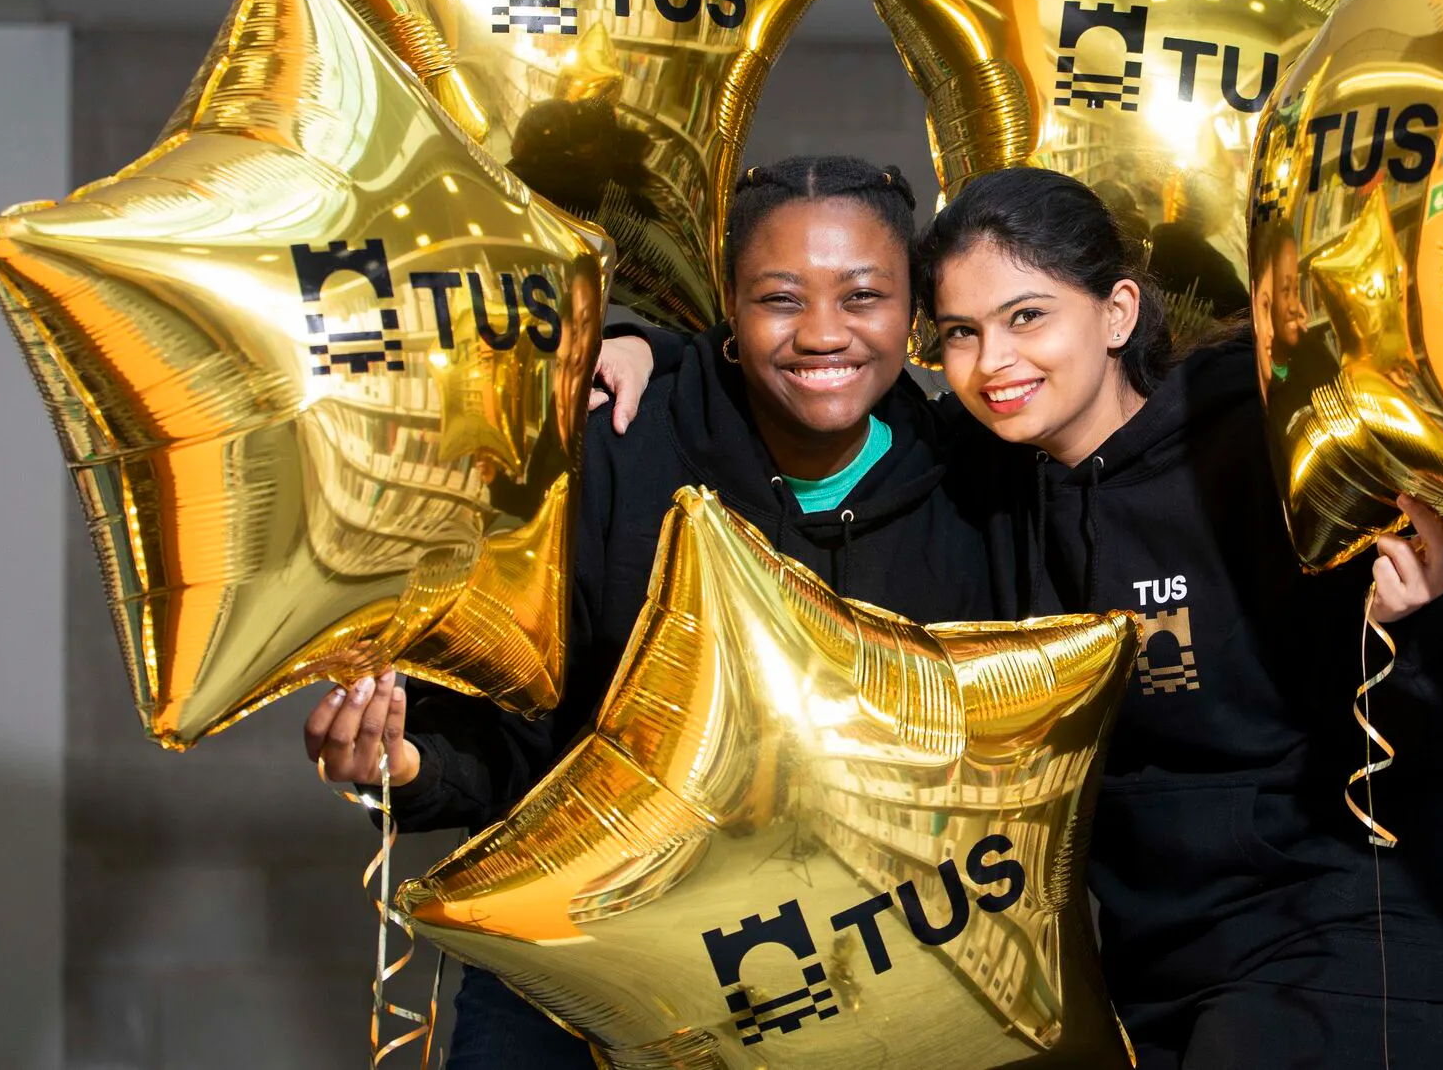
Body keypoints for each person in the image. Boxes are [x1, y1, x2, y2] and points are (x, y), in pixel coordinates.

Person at [300, 156, 994, 1068]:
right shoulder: (614, 449)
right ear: (730, 311)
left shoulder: (975, 486)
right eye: (780, 299)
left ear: (914, 315)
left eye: (863, 296)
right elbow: (515, 725)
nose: (824, 332)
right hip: (583, 959)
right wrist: (403, 765)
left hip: (848, 967)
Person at [918, 166, 1443, 1070]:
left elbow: (1441, 715)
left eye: (1027, 316)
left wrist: (1410, 623)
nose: (992, 361)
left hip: (1343, 935)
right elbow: (815, 394)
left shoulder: (1260, 441)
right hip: (1151, 972)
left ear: (1117, 313)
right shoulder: (985, 488)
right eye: (962, 331)